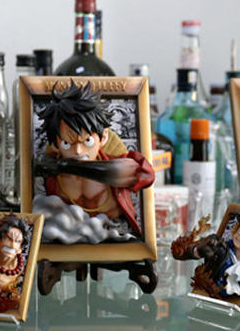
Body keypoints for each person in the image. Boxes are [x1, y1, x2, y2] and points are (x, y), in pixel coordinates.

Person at [35, 80, 154, 237]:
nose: (78, 151)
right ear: (55, 144)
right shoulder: (50, 172)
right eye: (67, 143)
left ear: (103, 137)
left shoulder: (116, 164)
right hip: (65, 242)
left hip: (113, 237)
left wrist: (72, 167)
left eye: (87, 141)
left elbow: (146, 175)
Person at [174, 203, 240, 299]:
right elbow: (186, 253)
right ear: (236, 228)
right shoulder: (220, 247)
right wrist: (197, 250)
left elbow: (238, 290)